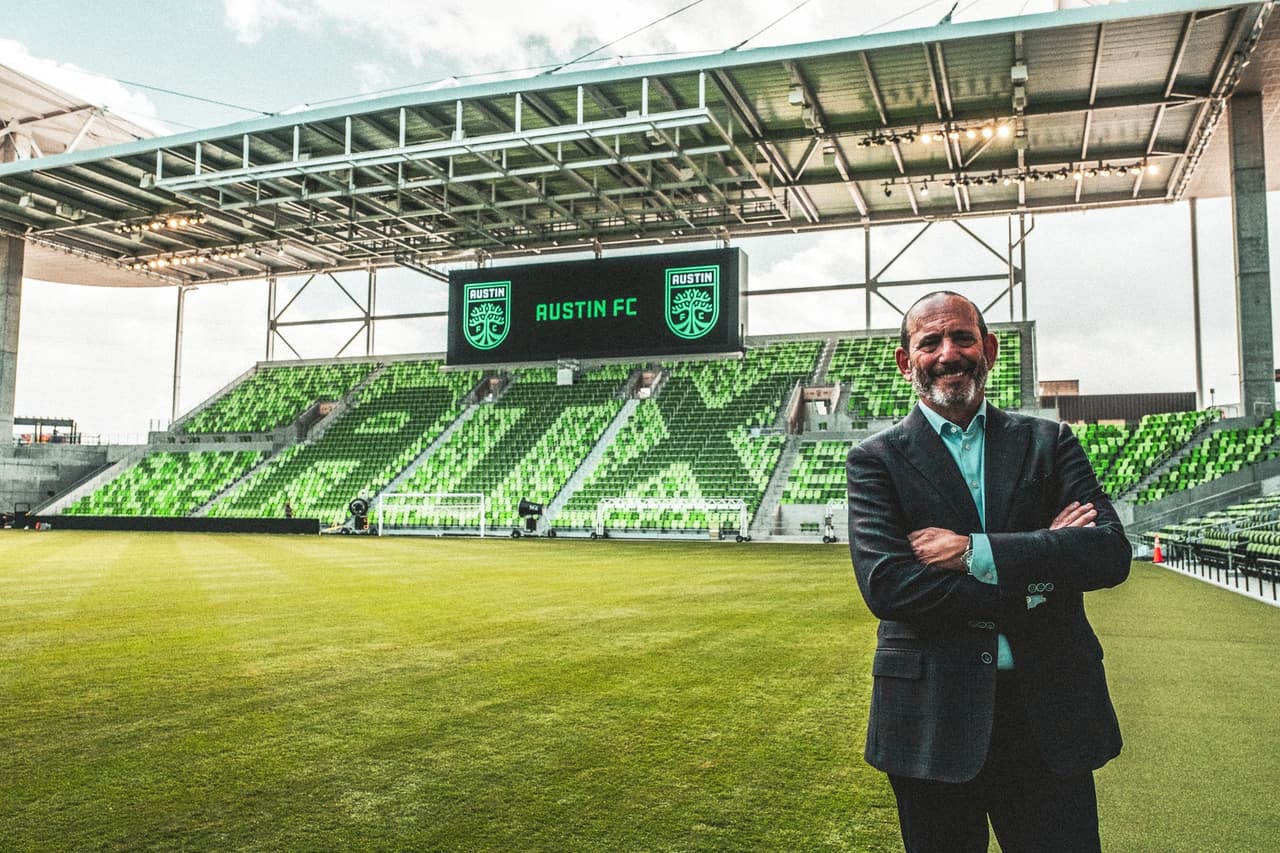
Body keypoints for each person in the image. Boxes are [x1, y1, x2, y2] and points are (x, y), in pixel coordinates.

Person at [845, 291, 1130, 853]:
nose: (948, 353)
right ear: (907, 362)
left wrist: (976, 552)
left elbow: (1107, 553)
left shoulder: (1049, 441)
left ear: (989, 349)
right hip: (931, 721)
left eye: (962, 338)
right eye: (930, 342)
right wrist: (1041, 573)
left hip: (1048, 713)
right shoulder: (875, 459)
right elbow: (890, 585)